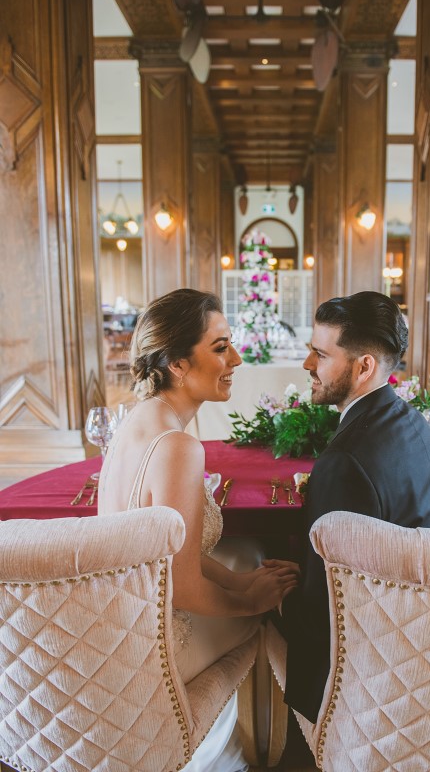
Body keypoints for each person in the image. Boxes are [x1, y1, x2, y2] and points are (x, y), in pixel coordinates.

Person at [98, 288, 298, 772]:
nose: (237, 358)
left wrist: (238, 581)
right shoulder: (177, 447)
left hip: (119, 617)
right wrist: (252, 601)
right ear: (178, 364)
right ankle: (247, 753)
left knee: (248, 561)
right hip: (155, 642)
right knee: (279, 613)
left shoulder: (137, 423)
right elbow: (183, 589)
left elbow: (169, 549)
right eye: (220, 347)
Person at [270, 291, 430, 724]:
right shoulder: (412, 422)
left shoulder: (343, 464)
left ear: (364, 366)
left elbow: (324, 618)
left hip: (370, 679)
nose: (307, 366)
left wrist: (275, 601)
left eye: (319, 354)